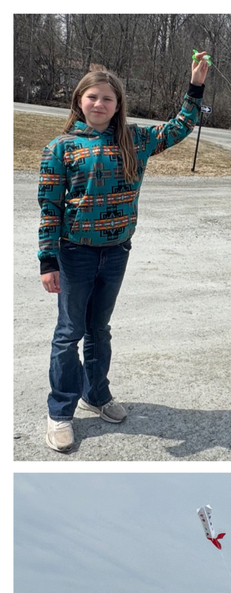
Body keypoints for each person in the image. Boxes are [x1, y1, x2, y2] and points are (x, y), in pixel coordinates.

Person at [37, 54, 210, 453]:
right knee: (69, 334)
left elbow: (180, 127)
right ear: (79, 100)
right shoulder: (61, 147)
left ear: (118, 106)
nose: (99, 105)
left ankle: (95, 394)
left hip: (116, 252)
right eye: (93, 97)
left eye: (108, 100)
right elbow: (50, 207)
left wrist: (195, 87)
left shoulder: (136, 140)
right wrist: (48, 260)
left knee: (100, 329)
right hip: (75, 253)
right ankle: (60, 411)